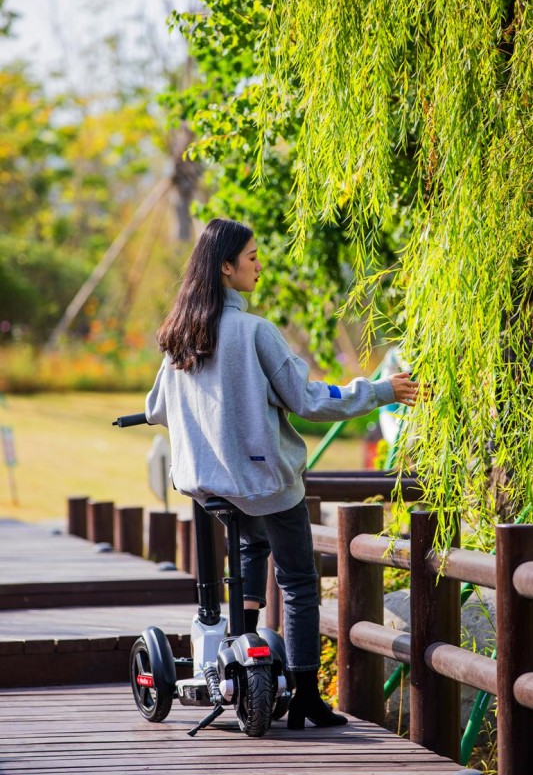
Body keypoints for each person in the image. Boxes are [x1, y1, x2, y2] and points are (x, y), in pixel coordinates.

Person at [145, 218, 419, 730]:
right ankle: (306, 696)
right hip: (263, 483)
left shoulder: (180, 332)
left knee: (250, 545)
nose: (259, 265)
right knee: (298, 582)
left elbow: (156, 406)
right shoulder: (255, 332)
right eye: (251, 257)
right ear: (226, 268)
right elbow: (309, 400)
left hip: (207, 485)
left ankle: (239, 652)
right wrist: (381, 390)